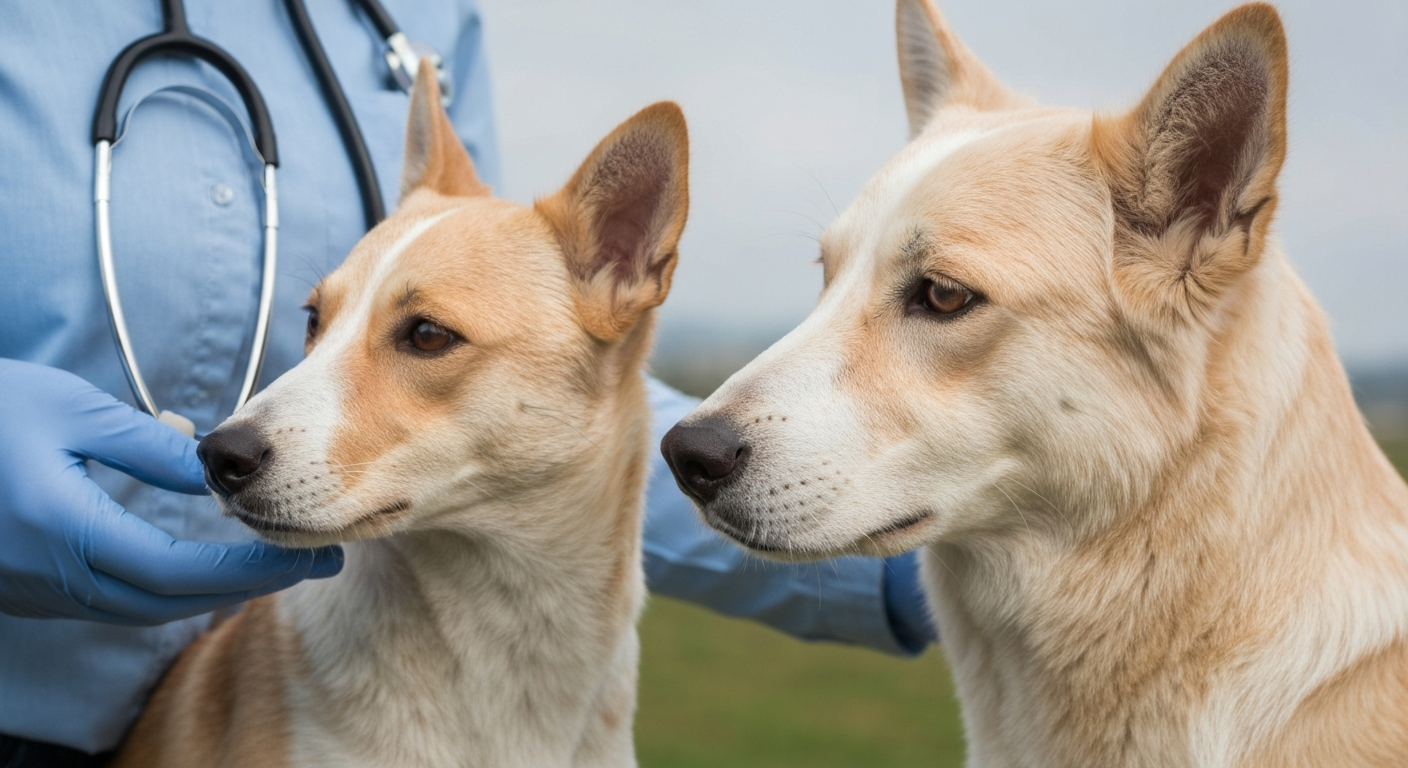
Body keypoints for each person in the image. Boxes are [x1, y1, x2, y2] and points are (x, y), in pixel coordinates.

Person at [0, 2, 935, 764]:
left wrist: (901, 562)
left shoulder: (428, 19)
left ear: (625, 256)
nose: (249, 431)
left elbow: (566, 394)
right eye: (319, 323)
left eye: (424, 336)